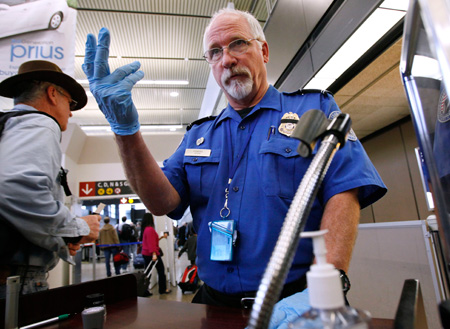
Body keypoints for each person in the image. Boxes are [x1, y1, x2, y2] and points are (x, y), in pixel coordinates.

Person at [83, 8, 386, 313]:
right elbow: (162, 203)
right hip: (215, 306)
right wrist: (126, 131)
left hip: (297, 303)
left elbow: (344, 189)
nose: (227, 59)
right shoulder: (198, 136)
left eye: (238, 44)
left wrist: (328, 285)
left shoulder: (314, 110)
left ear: (263, 51)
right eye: (215, 52)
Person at [0, 60, 100, 297]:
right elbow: (15, 188)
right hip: (16, 281)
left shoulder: (8, 126)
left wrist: (63, 236)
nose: (71, 111)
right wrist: (77, 227)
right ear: (53, 94)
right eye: (70, 101)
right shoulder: (40, 123)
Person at [140, 213, 171, 296]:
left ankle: (144, 290)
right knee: (160, 271)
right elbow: (151, 243)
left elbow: (153, 240)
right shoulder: (150, 229)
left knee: (148, 272)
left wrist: (162, 237)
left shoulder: (146, 229)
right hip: (152, 254)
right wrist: (154, 254)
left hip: (147, 254)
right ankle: (162, 289)